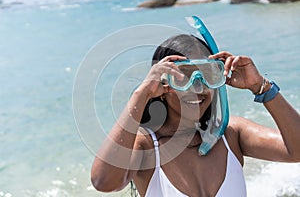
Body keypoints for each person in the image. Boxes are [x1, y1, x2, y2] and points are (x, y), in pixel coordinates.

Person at [91, 24, 300, 196]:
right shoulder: (146, 146)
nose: (198, 88)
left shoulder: (230, 134)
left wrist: (261, 86)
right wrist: (141, 95)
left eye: (207, 75)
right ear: (161, 85)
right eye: (184, 76)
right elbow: (103, 182)